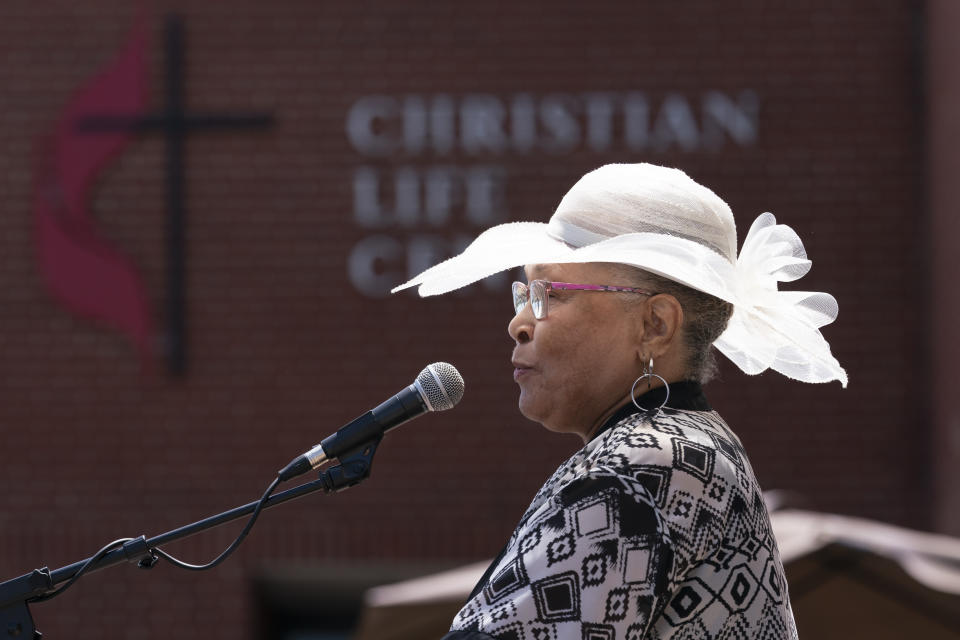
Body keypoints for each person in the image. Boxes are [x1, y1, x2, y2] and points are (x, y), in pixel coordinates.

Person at [393, 163, 847, 639]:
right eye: (524, 292)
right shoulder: (691, 446)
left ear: (655, 326)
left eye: (550, 294)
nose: (520, 322)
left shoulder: (645, 465)